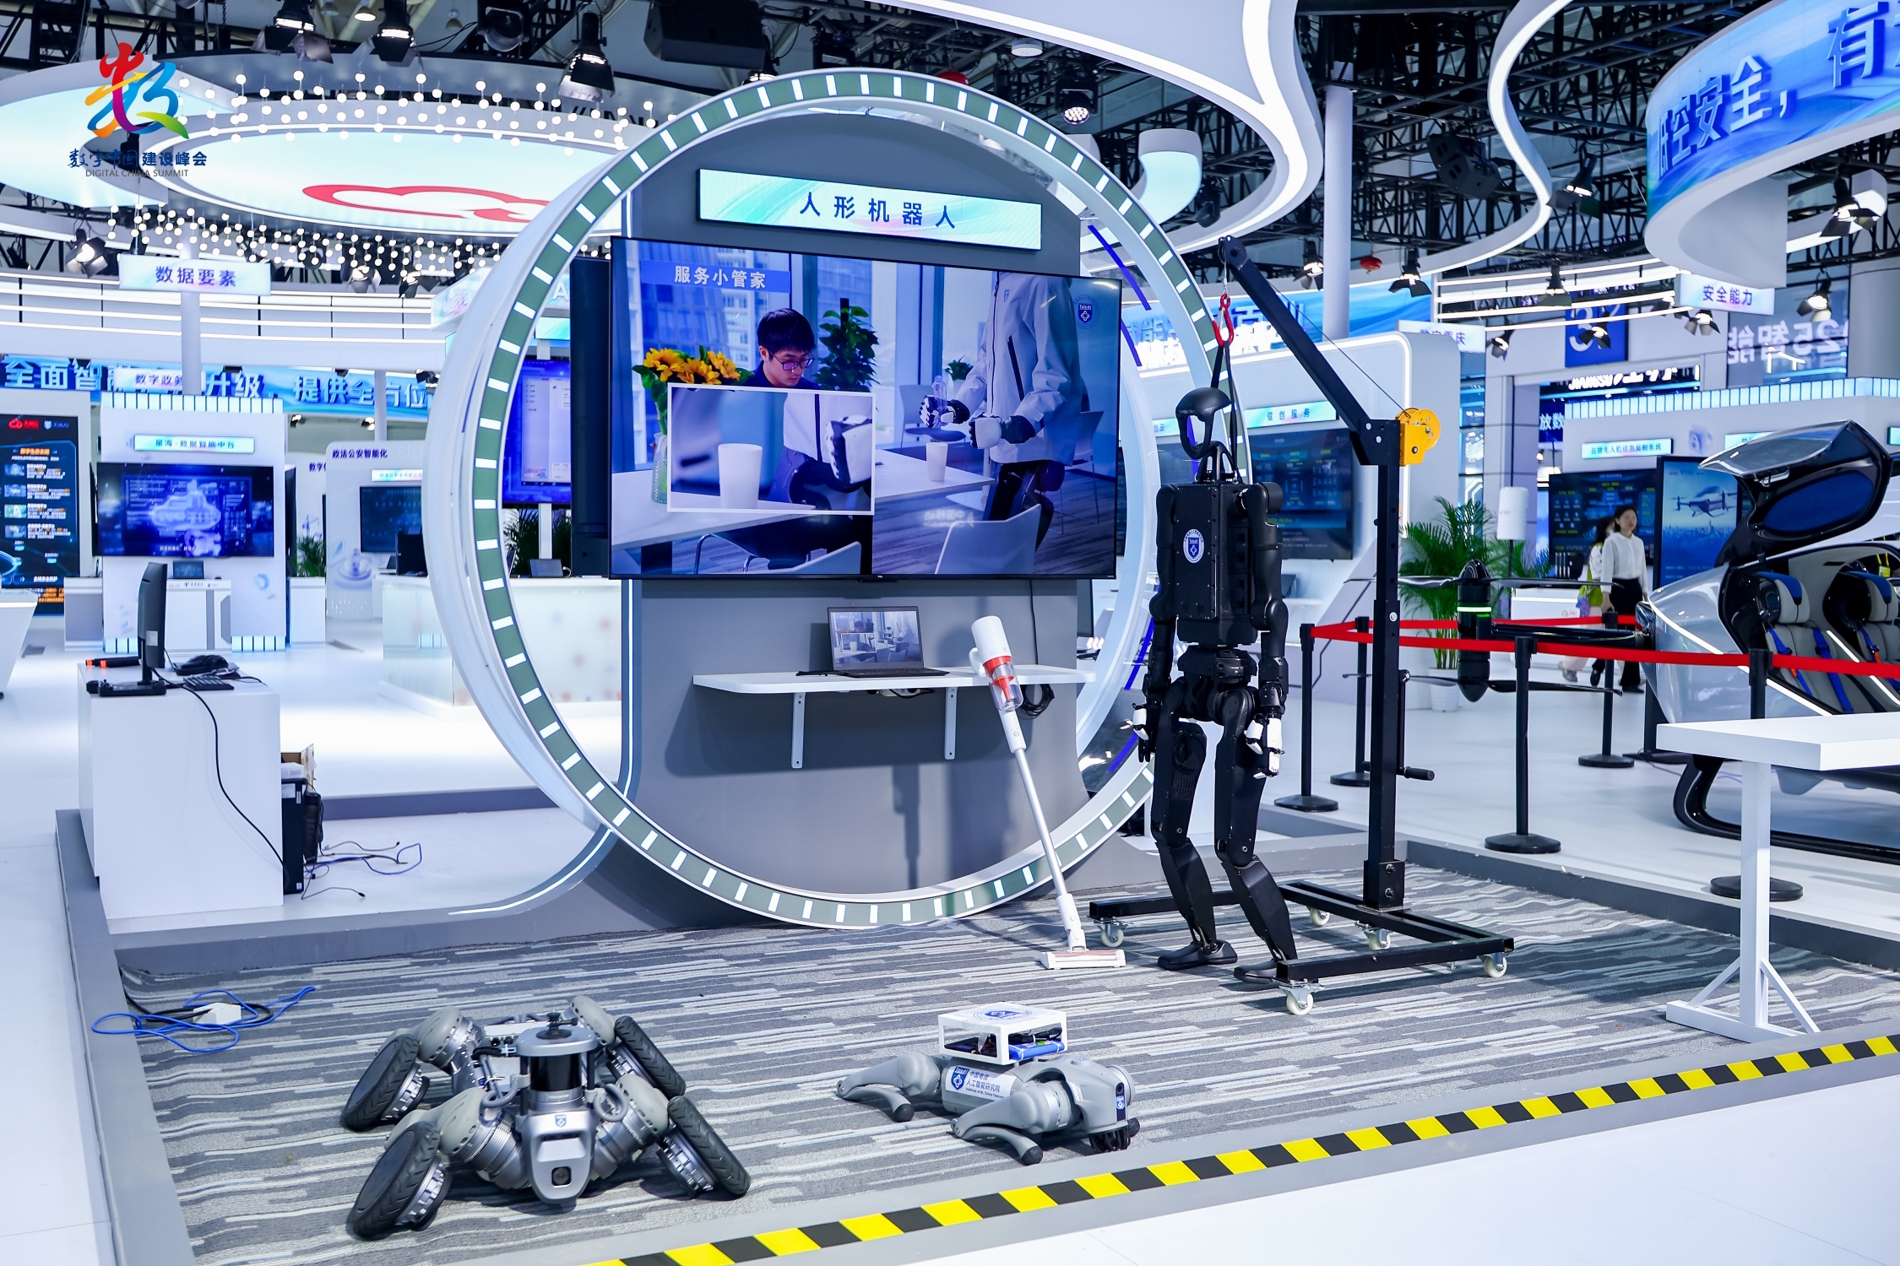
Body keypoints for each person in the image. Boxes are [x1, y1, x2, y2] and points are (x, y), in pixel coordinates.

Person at [918, 272, 1090, 543]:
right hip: (1007, 443)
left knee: (1000, 547)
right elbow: (987, 362)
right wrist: (959, 405)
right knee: (995, 546)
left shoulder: (1044, 281)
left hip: (1035, 443)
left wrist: (1019, 423)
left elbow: (1055, 374)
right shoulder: (1001, 283)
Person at [752, 308, 867, 509]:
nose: (797, 370)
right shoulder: (744, 388)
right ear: (764, 353)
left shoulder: (813, 392)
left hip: (802, 482)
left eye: (804, 359)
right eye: (789, 361)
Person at [1600, 504, 1650, 691]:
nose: (1631, 521)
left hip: (1634, 588)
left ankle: (1630, 681)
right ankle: (1599, 664)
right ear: (1617, 520)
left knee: (1634, 635)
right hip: (1617, 588)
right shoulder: (1611, 542)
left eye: (1634, 518)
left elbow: (1642, 570)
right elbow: (1606, 570)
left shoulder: (1639, 543)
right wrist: (1606, 597)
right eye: (1627, 517)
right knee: (1614, 633)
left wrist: (1645, 594)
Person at [1569, 518, 1610, 685]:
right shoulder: (1599, 548)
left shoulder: (1610, 547)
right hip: (1595, 600)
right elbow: (1599, 575)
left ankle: (1629, 676)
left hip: (1606, 600)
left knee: (1612, 639)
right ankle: (1569, 666)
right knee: (1590, 638)